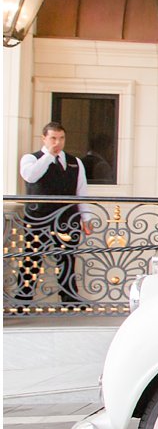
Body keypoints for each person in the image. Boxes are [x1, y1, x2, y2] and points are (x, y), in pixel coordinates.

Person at [17, 122, 91, 306]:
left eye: (61, 138)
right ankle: (22, 300)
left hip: (67, 218)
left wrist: (86, 217)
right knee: (32, 257)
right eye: (53, 138)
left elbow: (81, 192)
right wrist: (49, 155)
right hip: (38, 218)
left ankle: (69, 299)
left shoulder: (75, 162)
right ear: (44, 138)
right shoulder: (31, 158)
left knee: (67, 258)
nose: (57, 142)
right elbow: (30, 176)